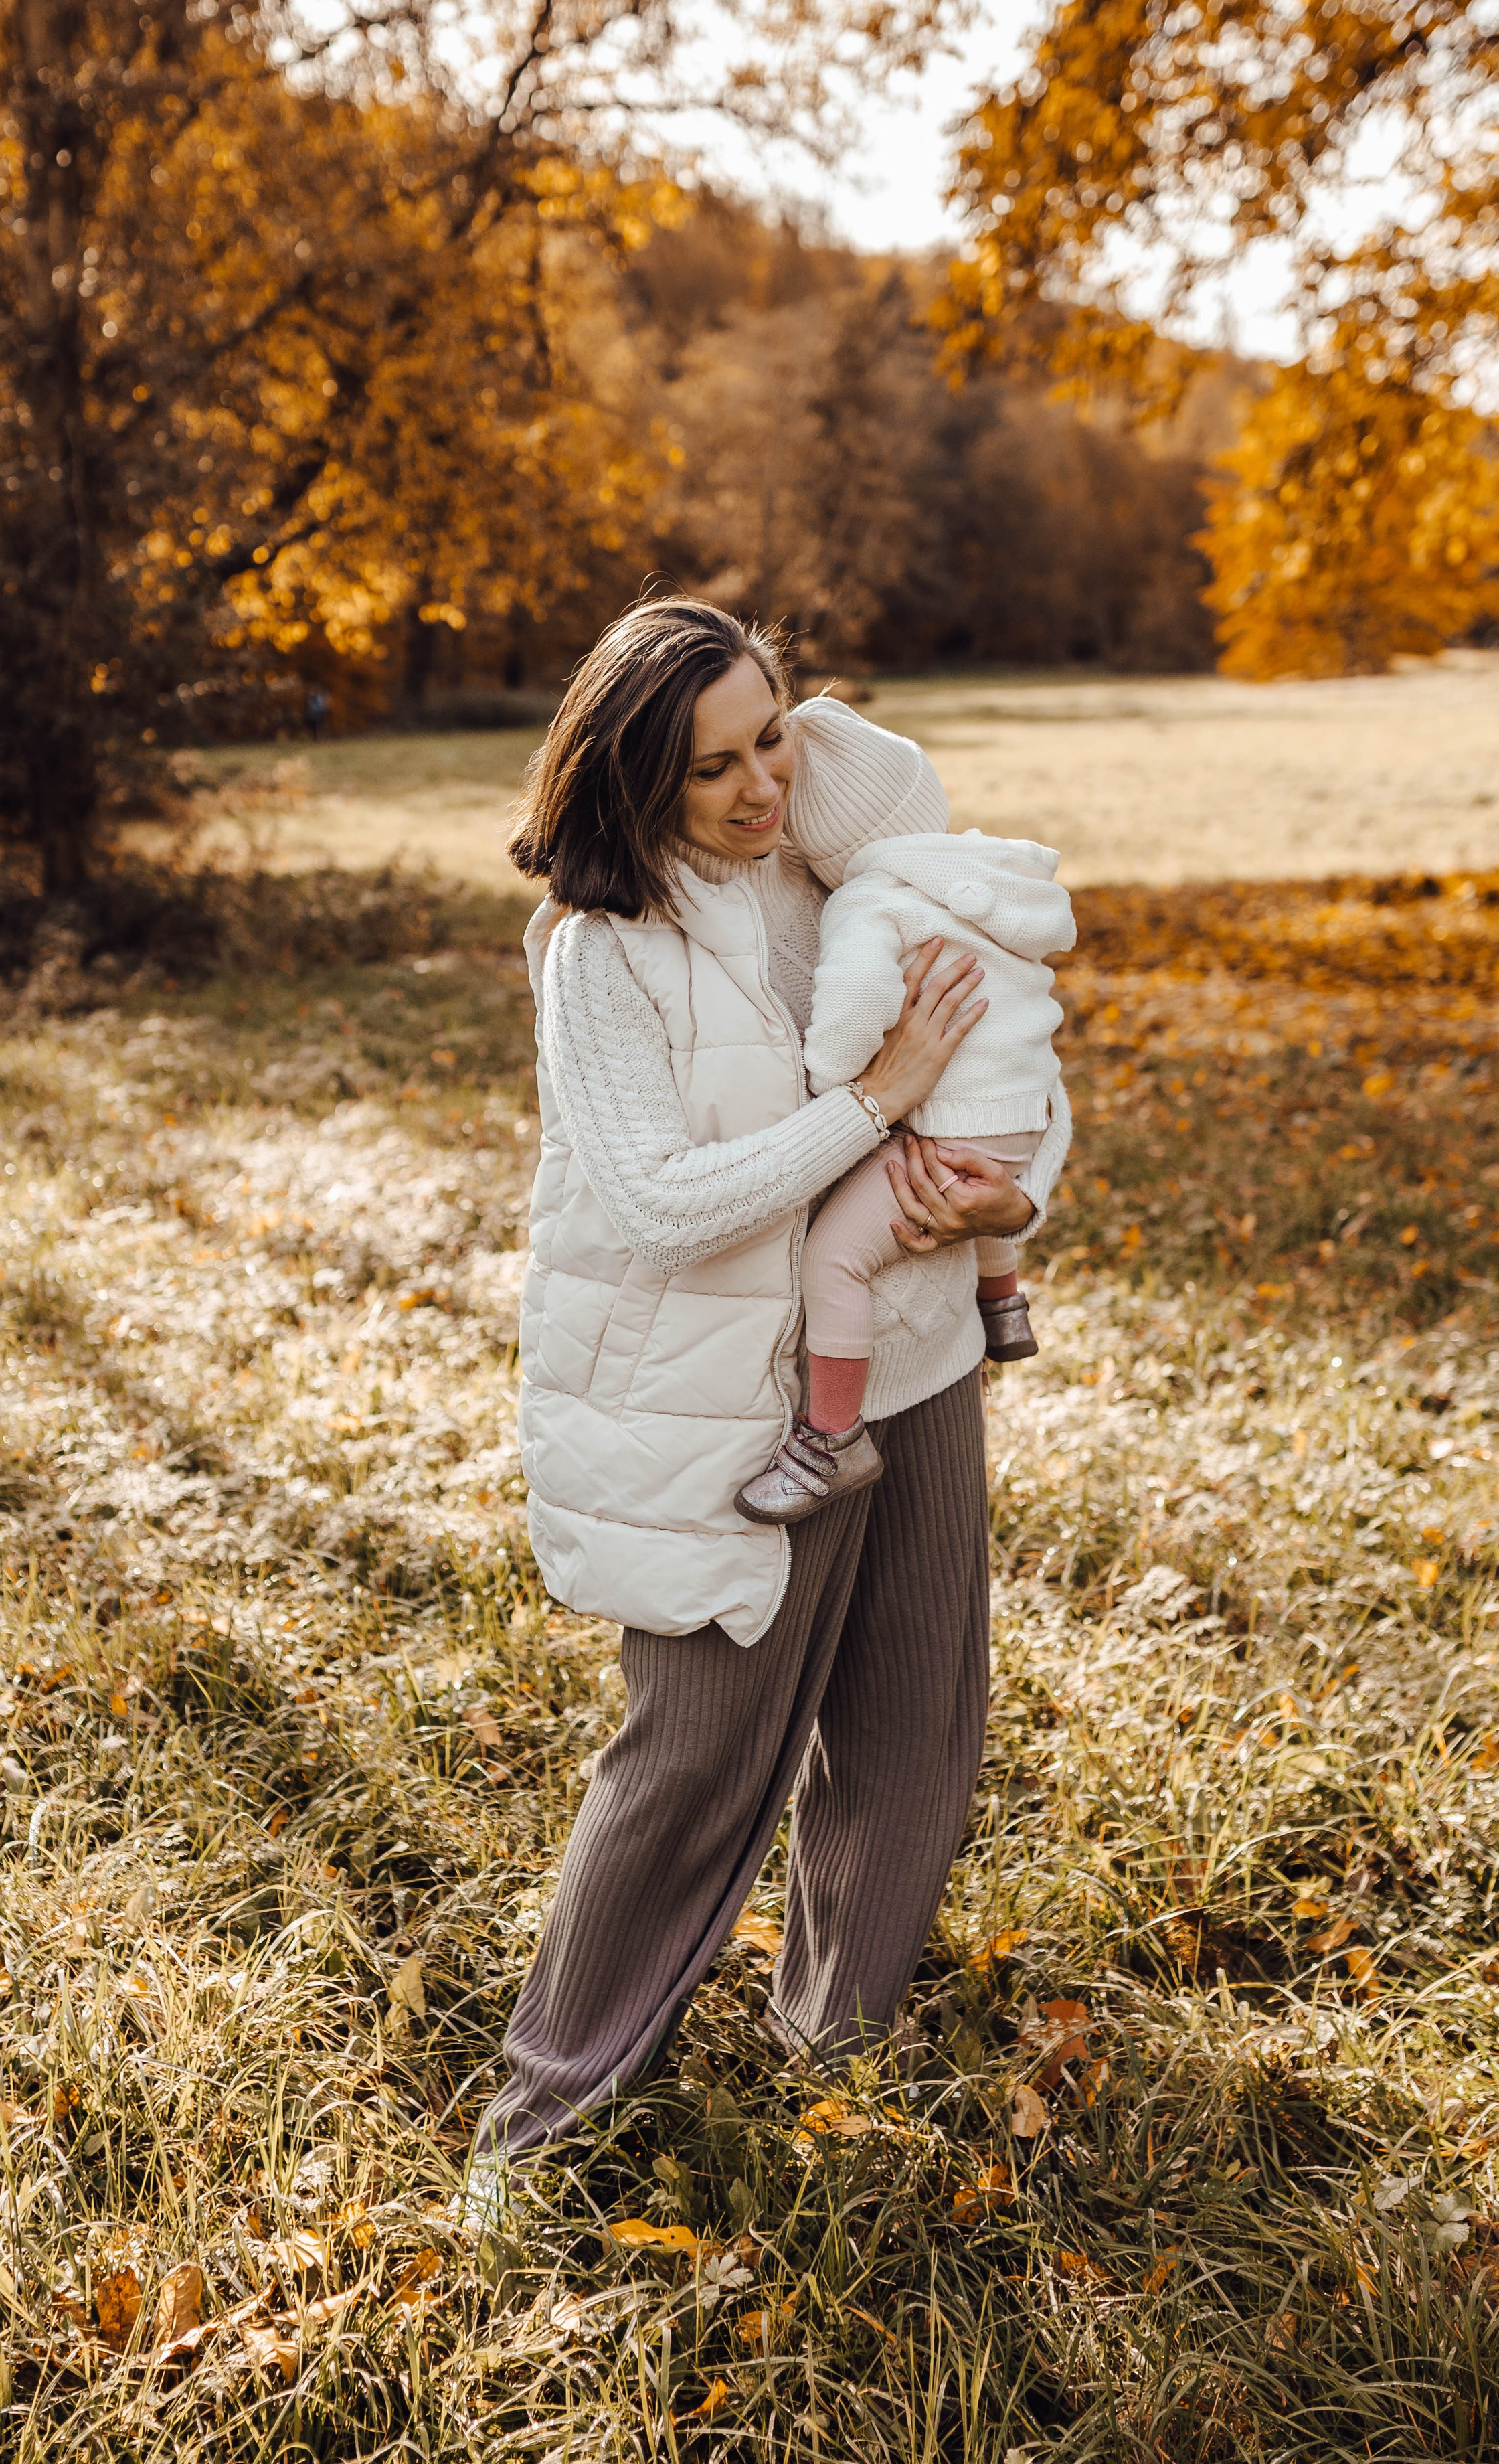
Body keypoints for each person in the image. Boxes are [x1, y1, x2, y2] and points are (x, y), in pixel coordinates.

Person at [474, 597, 1070, 2206]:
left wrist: (1003, 1198)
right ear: (629, 778)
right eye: (711, 767)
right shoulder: (602, 953)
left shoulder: (845, 873)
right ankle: (547, 2116)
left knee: (910, 1718)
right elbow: (665, 1201)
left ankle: (833, 2048)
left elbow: (1011, 1070)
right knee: (691, 1752)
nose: (760, 789)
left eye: (770, 741)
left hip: (912, 1355)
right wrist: (872, 1103)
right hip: (716, 1405)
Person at [735, 705, 1076, 1528]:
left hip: (951, 1127)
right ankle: (1003, 1300)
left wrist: (830, 1079)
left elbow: (856, 1004)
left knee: (834, 1261)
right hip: (1025, 1113)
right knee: (980, 1182)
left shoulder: (873, 898)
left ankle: (832, 1436)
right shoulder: (992, 872)